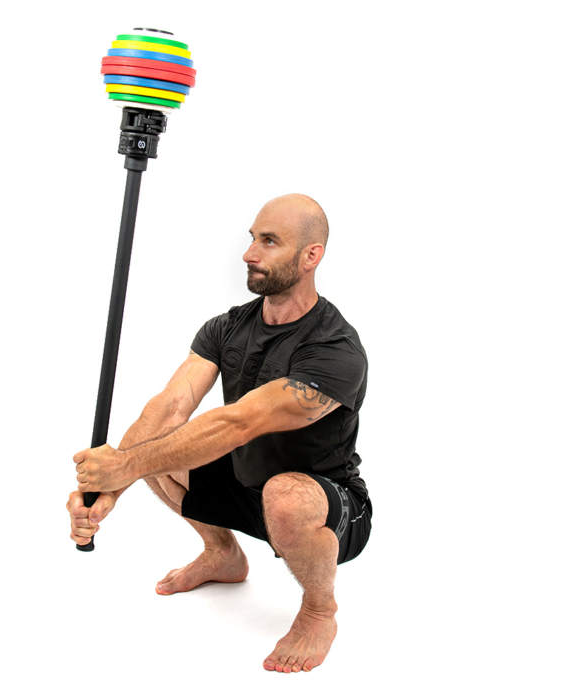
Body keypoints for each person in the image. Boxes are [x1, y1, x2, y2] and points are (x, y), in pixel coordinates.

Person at [66, 193, 372, 674]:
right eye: (252, 238)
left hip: (322, 508)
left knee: (282, 495)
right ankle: (223, 554)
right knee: (160, 448)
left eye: (269, 241)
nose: (249, 253)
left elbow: (240, 422)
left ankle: (319, 610)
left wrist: (123, 466)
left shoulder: (335, 348)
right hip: (247, 487)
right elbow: (167, 409)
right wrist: (107, 492)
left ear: (311, 256)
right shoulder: (227, 327)